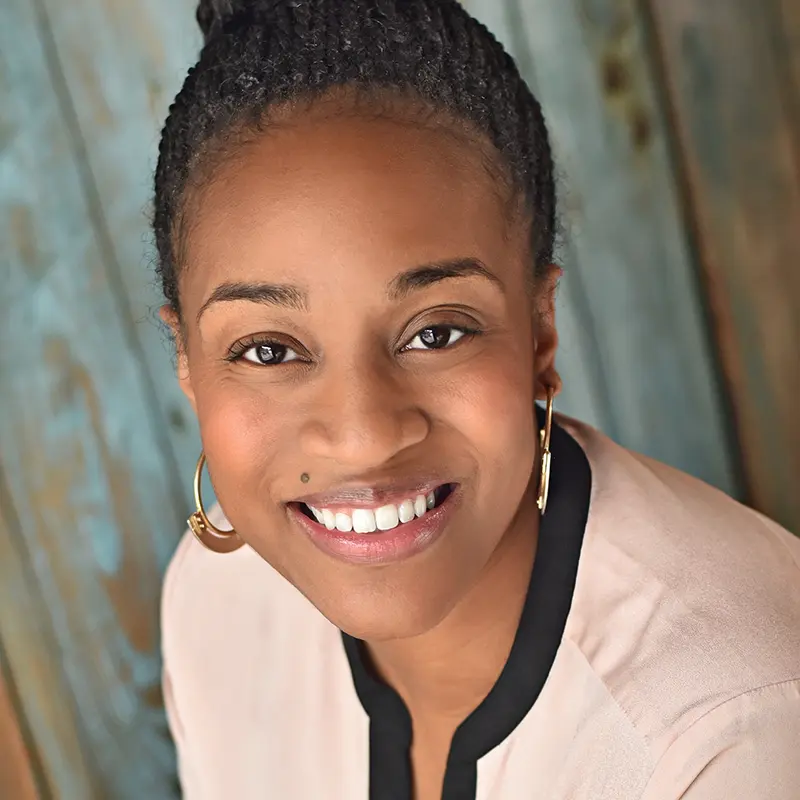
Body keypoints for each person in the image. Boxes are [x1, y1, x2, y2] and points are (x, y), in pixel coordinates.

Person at [154, 1, 800, 798]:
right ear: (187, 360)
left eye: (436, 332)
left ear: (539, 333)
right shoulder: (214, 601)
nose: (362, 437)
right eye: (268, 350)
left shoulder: (732, 726)